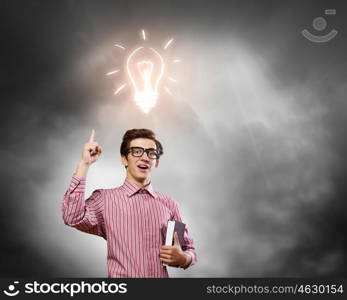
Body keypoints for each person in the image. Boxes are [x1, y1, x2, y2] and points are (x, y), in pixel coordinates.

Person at [62, 128, 197, 277]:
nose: (145, 157)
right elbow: (72, 217)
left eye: (151, 153)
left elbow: (187, 249)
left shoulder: (169, 204)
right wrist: (84, 164)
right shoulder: (104, 199)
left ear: (156, 162)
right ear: (124, 159)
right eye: (137, 151)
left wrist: (184, 258)